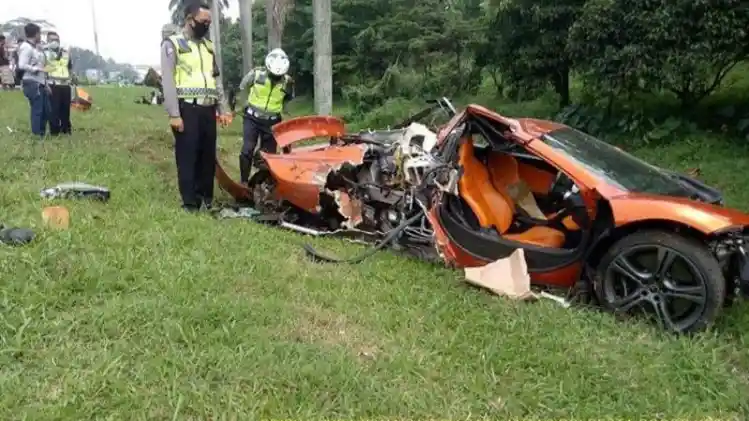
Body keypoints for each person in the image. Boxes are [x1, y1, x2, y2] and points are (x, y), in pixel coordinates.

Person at [161, 2, 232, 212]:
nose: (206, 25)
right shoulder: (173, 44)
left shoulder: (208, 47)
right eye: (203, 21)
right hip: (187, 109)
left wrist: (223, 108)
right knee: (188, 156)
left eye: (209, 22)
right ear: (189, 20)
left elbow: (216, 80)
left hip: (208, 109)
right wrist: (174, 114)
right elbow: (168, 81)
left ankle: (206, 199)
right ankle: (190, 202)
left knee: (207, 155)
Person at [237, 48, 295, 185]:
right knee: (247, 150)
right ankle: (243, 182)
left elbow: (288, 98)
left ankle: (262, 183)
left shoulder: (288, 82)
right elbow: (242, 87)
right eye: (273, 75)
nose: (275, 78)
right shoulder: (256, 74)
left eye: (278, 76)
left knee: (269, 156)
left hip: (273, 122)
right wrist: (242, 104)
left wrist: (285, 114)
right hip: (252, 118)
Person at [17, 23, 50, 137]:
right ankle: (37, 134)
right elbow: (21, 65)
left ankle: (42, 132)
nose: (40, 36)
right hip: (31, 82)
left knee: (46, 109)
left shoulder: (35, 48)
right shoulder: (26, 47)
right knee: (38, 110)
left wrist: (45, 83)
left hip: (40, 82)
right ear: (36, 34)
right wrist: (35, 69)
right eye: (39, 33)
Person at [44, 32, 74, 135]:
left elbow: (69, 67)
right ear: (47, 41)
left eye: (57, 40)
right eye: (52, 40)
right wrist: (45, 83)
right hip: (52, 84)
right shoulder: (44, 53)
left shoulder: (65, 53)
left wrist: (71, 78)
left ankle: (66, 129)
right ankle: (54, 131)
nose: (55, 42)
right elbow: (42, 68)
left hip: (65, 84)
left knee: (65, 109)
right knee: (54, 109)